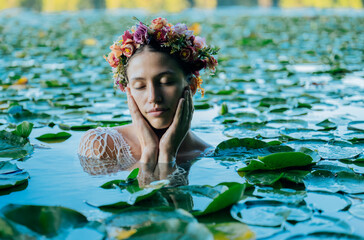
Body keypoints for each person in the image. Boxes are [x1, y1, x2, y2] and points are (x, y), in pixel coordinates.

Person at [78, 17, 218, 185]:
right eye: (140, 86)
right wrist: (149, 153)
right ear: (128, 91)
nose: (153, 97)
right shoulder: (100, 146)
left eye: (166, 82)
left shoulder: (208, 154)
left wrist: (167, 155)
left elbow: (182, 211)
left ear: (192, 86)